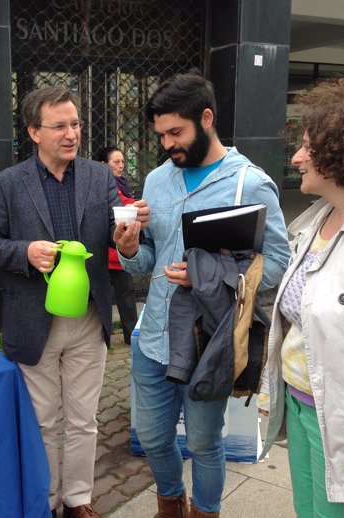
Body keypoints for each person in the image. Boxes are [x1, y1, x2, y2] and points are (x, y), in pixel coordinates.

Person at [114, 70, 289, 518]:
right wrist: (130, 247)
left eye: (176, 132)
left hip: (208, 341)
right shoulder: (157, 179)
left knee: (204, 443)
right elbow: (149, 258)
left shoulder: (248, 183)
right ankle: (170, 503)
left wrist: (208, 277)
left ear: (206, 118)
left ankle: (205, 511)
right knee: (153, 438)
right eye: (161, 135)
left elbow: (278, 262)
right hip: (154, 337)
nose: (168, 144)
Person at [0, 85, 144, 518]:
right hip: (34, 317)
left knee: (84, 418)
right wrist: (25, 252)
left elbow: (114, 233)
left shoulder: (98, 175)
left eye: (76, 124)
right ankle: (45, 499)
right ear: (34, 131)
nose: (71, 134)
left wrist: (126, 241)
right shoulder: (9, 183)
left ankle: (78, 499)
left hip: (89, 315)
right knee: (44, 421)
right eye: (60, 126)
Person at [258, 76, 344, 517]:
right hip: (302, 407)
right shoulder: (317, 219)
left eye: (306, 148)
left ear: (343, 151)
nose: (296, 158)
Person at [96, 145, 138, 344]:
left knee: (127, 298)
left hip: (120, 255)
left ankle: (131, 336)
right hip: (105, 254)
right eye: (116, 162)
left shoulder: (123, 184)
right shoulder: (102, 188)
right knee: (101, 298)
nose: (121, 166)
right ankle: (102, 337)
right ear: (104, 165)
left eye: (123, 161)